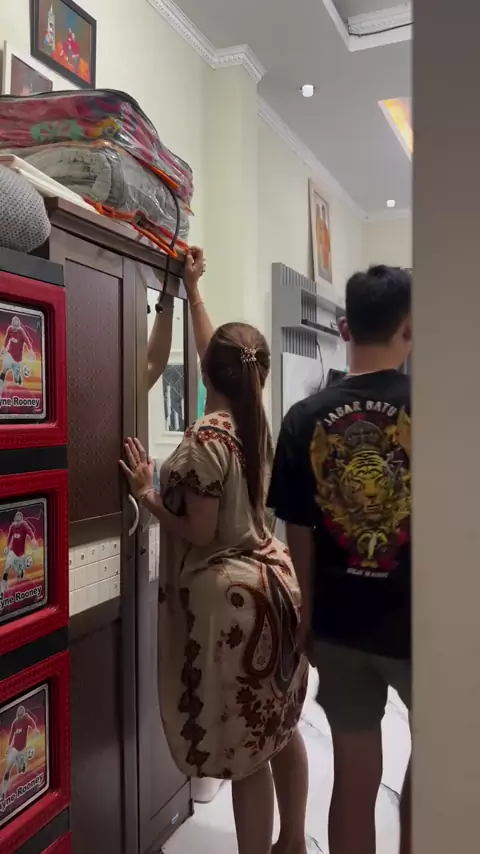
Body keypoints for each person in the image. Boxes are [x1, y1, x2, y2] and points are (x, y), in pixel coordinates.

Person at [120, 250, 309, 854]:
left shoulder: (206, 436)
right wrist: (194, 291)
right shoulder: (257, 424)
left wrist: (147, 494)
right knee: (281, 729)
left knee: (246, 755)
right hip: (276, 585)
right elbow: (222, 359)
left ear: (207, 376)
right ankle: (292, 842)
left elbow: (198, 532)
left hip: (233, 601)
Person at [268, 265, 412, 854]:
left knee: (353, 777)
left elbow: (297, 531)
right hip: (422, 626)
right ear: (410, 328)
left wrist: (307, 616)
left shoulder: (303, 418)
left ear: (346, 327)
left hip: (340, 626)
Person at [1, 705, 39, 800]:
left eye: (22, 711)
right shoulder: (15, 722)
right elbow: (11, 734)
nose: (21, 713)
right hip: (14, 749)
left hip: (22, 750)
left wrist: (34, 729)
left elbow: (32, 723)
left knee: (21, 770)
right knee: (8, 769)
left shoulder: (26, 718)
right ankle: (3, 792)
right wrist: (9, 746)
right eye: (19, 712)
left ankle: (22, 764)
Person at [2, 511, 38, 595]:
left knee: (18, 572)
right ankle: (3, 587)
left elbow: (30, 532)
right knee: (6, 568)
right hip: (12, 551)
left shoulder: (24, 525)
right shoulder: (12, 526)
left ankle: (19, 581)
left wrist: (33, 539)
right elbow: (9, 536)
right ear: (15, 519)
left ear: (21, 520)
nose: (17, 522)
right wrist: (7, 546)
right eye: (16, 520)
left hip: (21, 554)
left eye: (19, 520)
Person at [0, 315, 35, 397]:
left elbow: (27, 341)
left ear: (19, 326)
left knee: (17, 380)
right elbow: (7, 338)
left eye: (16, 326)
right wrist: (4, 348)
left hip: (18, 359)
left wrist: (31, 352)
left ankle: (18, 378)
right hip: (10, 354)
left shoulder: (21, 332)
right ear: (12, 324)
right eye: (14, 326)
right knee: (4, 369)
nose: (15, 328)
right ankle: (0, 387)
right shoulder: (10, 329)